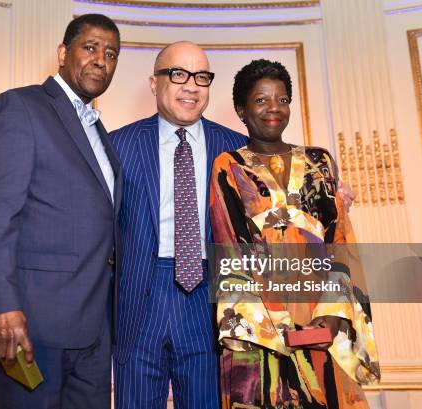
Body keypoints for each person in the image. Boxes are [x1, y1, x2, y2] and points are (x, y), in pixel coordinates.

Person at [0, 14, 122, 409]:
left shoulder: (99, 131)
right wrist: (2, 306)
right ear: (62, 53)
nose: (101, 60)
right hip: (31, 327)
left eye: (111, 54)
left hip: (93, 331)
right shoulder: (20, 107)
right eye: (90, 47)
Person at [210, 59, 380, 409]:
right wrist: (281, 325)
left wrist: (334, 315)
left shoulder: (320, 162)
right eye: (261, 100)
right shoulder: (228, 166)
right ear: (241, 110)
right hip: (262, 329)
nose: (274, 107)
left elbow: (341, 242)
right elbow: (230, 251)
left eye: (282, 99)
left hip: (323, 319)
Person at [110, 41, 247, 409]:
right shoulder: (117, 146)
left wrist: (330, 192)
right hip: (139, 297)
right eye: (178, 74)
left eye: (201, 77)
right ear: (154, 84)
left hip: (208, 299)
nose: (191, 86)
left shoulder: (237, 150)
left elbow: (281, 198)